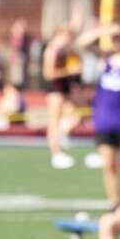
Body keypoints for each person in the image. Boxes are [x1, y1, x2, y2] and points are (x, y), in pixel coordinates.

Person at [94, 23, 120, 239]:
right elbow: (83, 44)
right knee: (109, 166)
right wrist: (105, 30)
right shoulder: (107, 59)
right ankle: (115, 203)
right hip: (106, 121)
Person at [42, 27, 83, 169]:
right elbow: (48, 74)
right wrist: (69, 71)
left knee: (80, 113)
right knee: (54, 121)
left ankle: (63, 134)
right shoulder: (52, 50)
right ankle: (56, 153)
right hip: (55, 89)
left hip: (66, 87)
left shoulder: (66, 50)